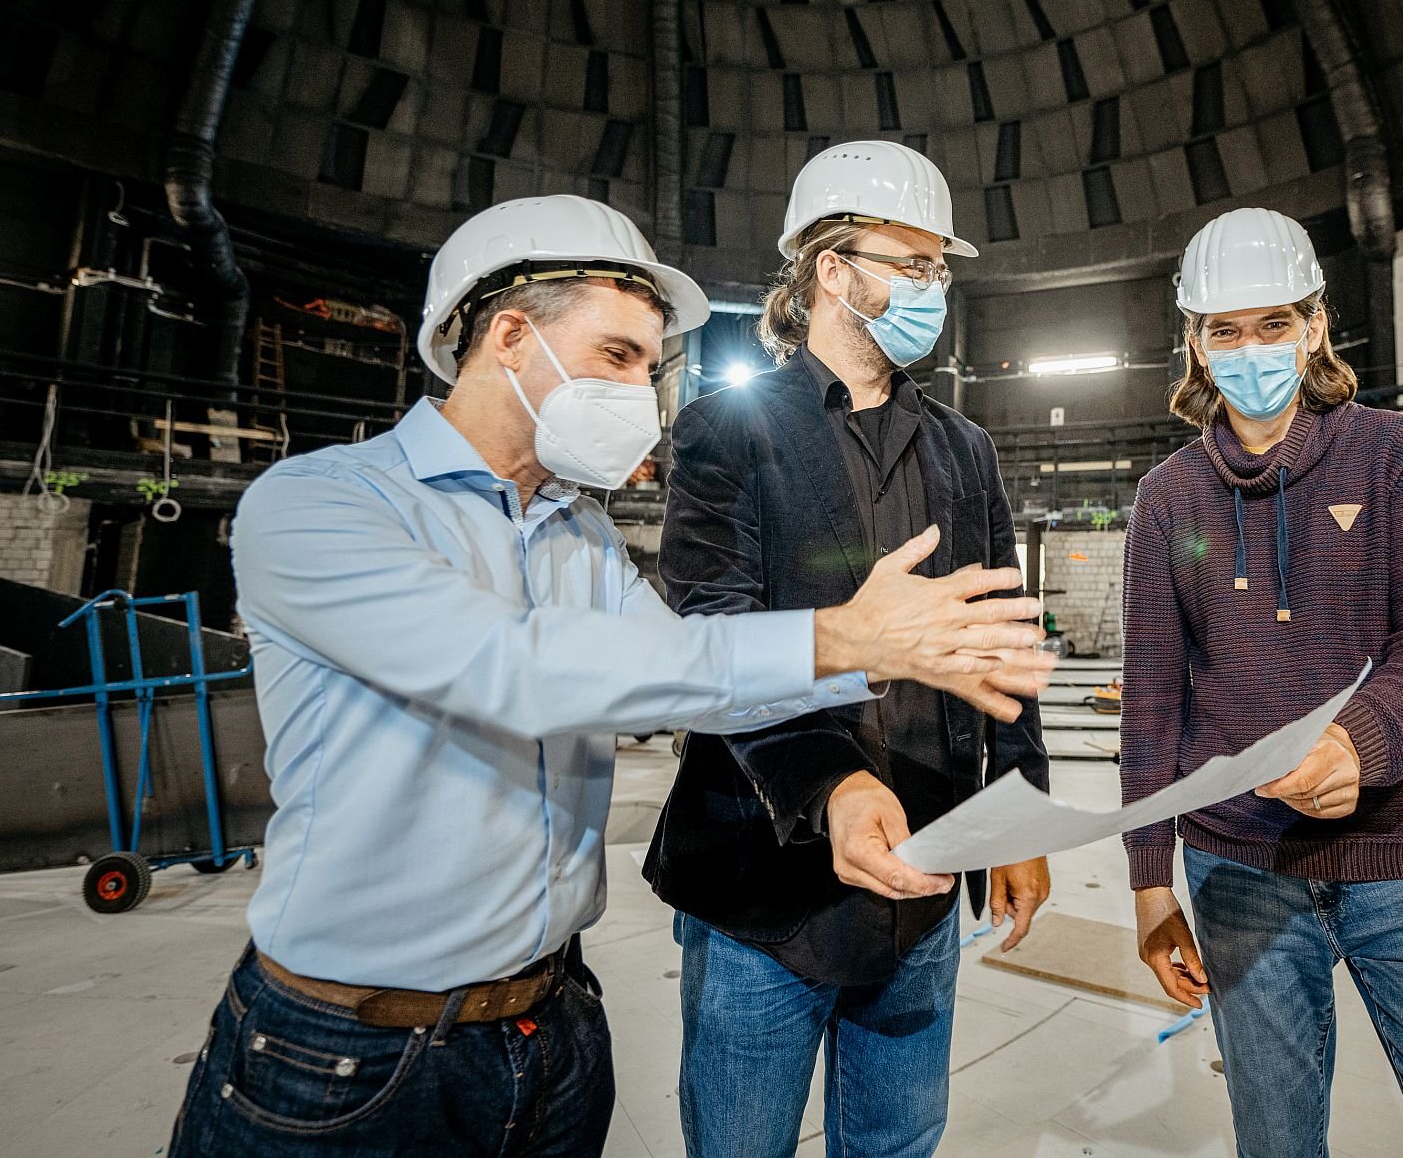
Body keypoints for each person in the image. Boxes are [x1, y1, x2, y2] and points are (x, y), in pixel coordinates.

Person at [167, 195, 1052, 1157]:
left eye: (649, 364)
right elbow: (508, 669)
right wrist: (846, 640)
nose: (642, 392)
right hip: (347, 1050)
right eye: (619, 357)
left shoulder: (579, 536)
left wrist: (971, 768)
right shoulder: (318, 504)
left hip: (548, 1022)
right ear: (511, 335)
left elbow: (697, 676)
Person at [1120, 208, 1403, 1158]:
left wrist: (1360, 743)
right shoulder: (1167, 499)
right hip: (1237, 871)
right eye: (1225, 331)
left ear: (1313, 326)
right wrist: (1151, 882)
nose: (1250, 349)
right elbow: (1154, 701)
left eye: (1272, 324)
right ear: (1195, 344)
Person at [646, 142, 1051, 1158]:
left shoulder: (966, 448)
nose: (932, 288)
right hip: (765, 893)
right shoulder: (724, 431)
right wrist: (826, 782)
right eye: (911, 263)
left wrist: (1022, 808)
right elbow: (716, 642)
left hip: (924, 882)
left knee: (898, 1143)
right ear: (832, 268)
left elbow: (1004, 634)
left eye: (938, 269)